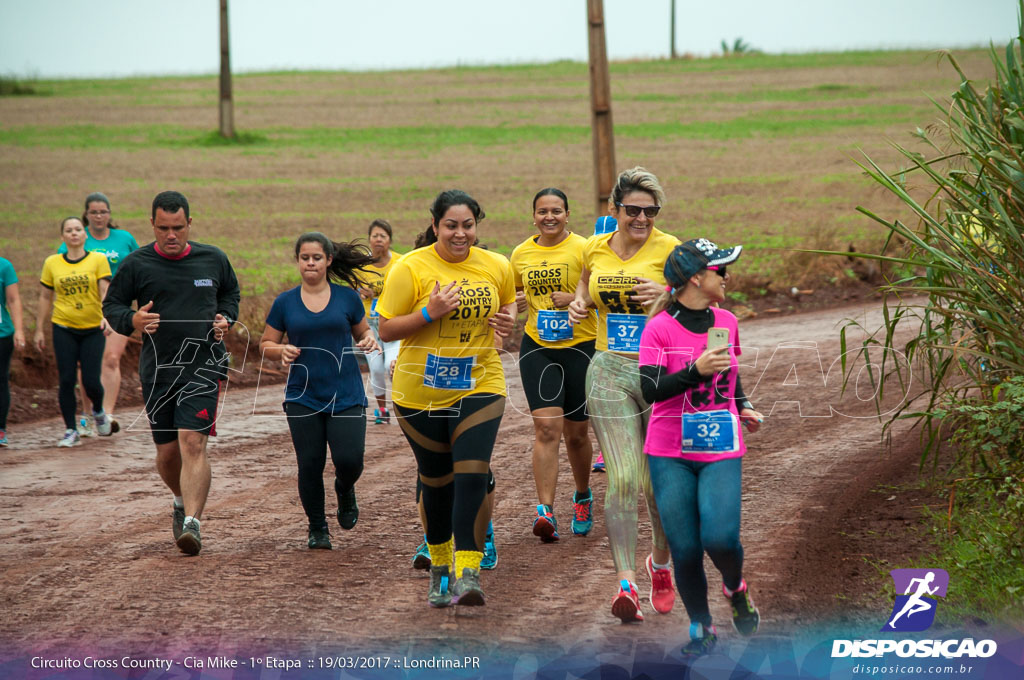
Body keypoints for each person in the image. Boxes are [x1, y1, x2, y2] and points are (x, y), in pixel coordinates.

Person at [377, 189, 516, 608]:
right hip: (419, 391)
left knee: (473, 473)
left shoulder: (497, 265)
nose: (460, 234)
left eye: (468, 225)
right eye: (451, 225)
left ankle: (468, 571)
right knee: (436, 483)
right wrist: (428, 313)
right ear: (435, 226)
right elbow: (384, 330)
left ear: (477, 225)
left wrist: (504, 325)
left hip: (480, 382)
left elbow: (506, 310)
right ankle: (439, 567)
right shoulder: (409, 268)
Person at [638, 239, 763, 656]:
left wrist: (742, 404)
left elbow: (729, 370)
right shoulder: (659, 328)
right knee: (687, 548)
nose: (726, 277)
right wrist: (693, 372)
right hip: (669, 451)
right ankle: (701, 628)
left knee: (721, 539)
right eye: (720, 270)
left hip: (721, 445)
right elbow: (651, 390)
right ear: (696, 278)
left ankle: (735, 587)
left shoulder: (725, 319)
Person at [568, 166, 681, 622]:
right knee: (622, 479)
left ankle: (660, 563)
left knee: (658, 487)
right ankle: (626, 584)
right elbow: (585, 286)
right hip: (608, 368)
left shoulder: (671, 248)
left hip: (660, 373)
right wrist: (579, 303)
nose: (641, 219)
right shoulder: (596, 247)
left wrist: (669, 292)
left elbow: (705, 300)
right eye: (632, 210)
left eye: (650, 212)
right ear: (614, 209)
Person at [103, 190, 240, 556]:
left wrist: (227, 318)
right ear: (152, 224)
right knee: (166, 454)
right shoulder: (137, 264)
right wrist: (132, 319)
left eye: (178, 227)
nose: (171, 235)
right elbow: (112, 304)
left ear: (189, 223)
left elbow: (230, 294)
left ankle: (193, 523)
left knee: (192, 442)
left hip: (203, 366)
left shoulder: (213, 258)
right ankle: (180, 500)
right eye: (164, 228)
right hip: (159, 371)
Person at [259, 233, 379, 549]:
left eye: (316, 257)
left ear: (328, 260)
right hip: (303, 394)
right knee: (310, 463)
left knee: (350, 459)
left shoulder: (347, 299)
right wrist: (279, 351)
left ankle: (344, 487)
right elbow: (265, 344)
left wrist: (368, 340)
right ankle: (317, 528)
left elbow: (364, 332)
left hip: (346, 393)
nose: (310, 263)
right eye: (304, 258)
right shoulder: (284, 302)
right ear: (298, 261)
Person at [510, 188, 597, 541]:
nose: (550, 217)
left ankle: (582, 495)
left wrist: (579, 300)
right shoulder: (520, 253)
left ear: (567, 214)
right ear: (533, 216)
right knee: (547, 430)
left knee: (577, 435)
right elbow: (513, 293)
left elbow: (601, 293)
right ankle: (545, 510)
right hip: (539, 347)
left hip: (581, 346)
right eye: (543, 211)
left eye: (556, 211)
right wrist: (515, 304)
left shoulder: (586, 249)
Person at [59, 193, 139, 435]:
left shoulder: (124, 239)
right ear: (86, 214)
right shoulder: (77, 238)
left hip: (119, 308)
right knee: (87, 366)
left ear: (109, 213)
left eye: (103, 212)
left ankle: (107, 414)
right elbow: (62, 270)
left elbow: (140, 267)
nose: (99, 216)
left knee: (112, 359)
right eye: (94, 212)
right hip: (86, 310)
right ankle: (85, 416)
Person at [35, 217, 113, 447]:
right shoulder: (52, 263)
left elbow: (105, 290)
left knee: (90, 381)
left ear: (85, 234)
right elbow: (45, 296)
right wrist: (39, 328)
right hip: (63, 327)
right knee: (67, 379)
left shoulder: (98, 260)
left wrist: (107, 317)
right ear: (63, 237)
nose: (74, 233)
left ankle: (98, 411)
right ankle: (71, 430)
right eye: (69, 231)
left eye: (78, 229)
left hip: (92, 328)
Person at [355, 219, 401, 425]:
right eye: (375, 236)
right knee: (376, 370)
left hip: (392, 323)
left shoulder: (400, 263)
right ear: (369, 239)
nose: (379, 240)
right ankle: (382, 410)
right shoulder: (360, 266)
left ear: (389, 240)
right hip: (369, 327)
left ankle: (401, 406)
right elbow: (350, 291)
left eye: (383, 236)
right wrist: (359, 293)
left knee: (393, 365)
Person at [590, 215, 616, 473]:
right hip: (598, 339)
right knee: (602, 395)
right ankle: (606, 450)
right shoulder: (594, 256)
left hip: (636, 345)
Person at [0, 257, 26, 447]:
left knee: (0, 381)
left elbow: (13, 299)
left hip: (2, 334)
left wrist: (19, 330)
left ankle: (1, 429)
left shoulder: (4, 266)